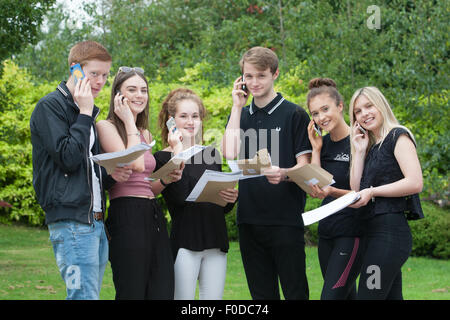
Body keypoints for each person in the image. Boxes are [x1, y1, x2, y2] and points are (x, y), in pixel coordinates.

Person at [30, 41, 132, 300]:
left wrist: (110, 176)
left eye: (105, 75)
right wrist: (85, 113)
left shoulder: (85, 112)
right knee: (82, 297)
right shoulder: (50, 107)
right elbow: (68, 158)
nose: (100, 81)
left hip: (94, 221)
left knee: (89, 295)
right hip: (72, 222)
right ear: (75, 69)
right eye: (94, 73)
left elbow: (85, 169)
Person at [221, 46, 311, 300]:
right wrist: (237, 107)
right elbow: (229, 152)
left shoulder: (294, 114)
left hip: (286, 220)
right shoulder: (241, 114)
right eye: (248, 76)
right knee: (261, 297)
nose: (254, 82)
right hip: (249, 220)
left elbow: (305, 167)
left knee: (295, 293)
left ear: (275, 74)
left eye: (261, 75)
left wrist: (284, 173)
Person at [96, 67, 183, 300]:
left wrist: (165, 178)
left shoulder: (143, 133)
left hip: (152, 212)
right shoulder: (106, 126)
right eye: (131, 89)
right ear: (118, 95)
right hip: (126, 214)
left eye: (143, 90)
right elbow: (134, 162)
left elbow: (146, 185)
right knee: (132, 290)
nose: (139, 95)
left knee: (162, 288)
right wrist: (128, 120)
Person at [154, 88, 238, 300]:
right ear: (171, 121)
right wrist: (178, 150)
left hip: (215, 240)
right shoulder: (163, 158)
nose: (191, 121)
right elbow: (180, 197)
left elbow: (221, 207)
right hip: (185, 243)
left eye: (195, 116)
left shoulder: (211, 154)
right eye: (184, 116)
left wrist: (230, 198)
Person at [348, 86, 423, 300]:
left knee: (368, 295)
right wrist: (360, 151)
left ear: (381, 105)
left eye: (369, 106)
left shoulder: (398, 136)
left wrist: (372, 191)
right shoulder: (371, 147)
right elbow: (355, 190)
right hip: (372, 234)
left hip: (390, 234)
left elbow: (415, 182)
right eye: (358, 111)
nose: (364, 114)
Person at [306, 78, 365, 299]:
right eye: (314, 113)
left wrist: (331, 192)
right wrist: (317, 149)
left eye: (325, 109)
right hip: (327, 232)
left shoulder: (360, 141)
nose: (321, 118)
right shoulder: (323, 144)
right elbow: (316, 184)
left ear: (340, 106)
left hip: (352, 233)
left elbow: (364, 192)